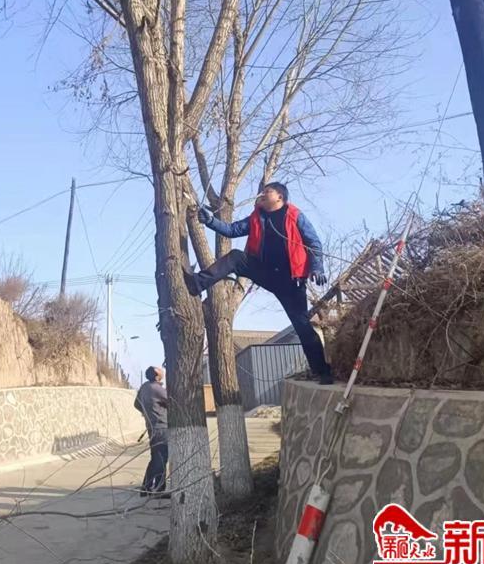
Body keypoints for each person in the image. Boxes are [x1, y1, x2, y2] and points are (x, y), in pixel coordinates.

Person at [184, 182, 334, 385]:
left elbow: (313, 242)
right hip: (265, 272)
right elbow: (231, 230)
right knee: (236, 257)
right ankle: (197, 283)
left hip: (291, 280)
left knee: (302, 326)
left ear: (280, 197)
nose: (262, 194)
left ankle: (322, 371)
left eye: (267, 191)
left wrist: (317, 268)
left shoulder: (295, 215)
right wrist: (210, 220)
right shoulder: (256, 217)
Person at [134, 366, 169, 497]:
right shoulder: (157, 389)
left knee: (156, 457)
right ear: (156, 376)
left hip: (152, 426)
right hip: (161, 427)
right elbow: (172, 401)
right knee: (160, 459)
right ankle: (154, 489)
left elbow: (136, 404)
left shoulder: (144, 387)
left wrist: (147, 412)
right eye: (160, 371)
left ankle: (149, 488)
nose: (163, 371)